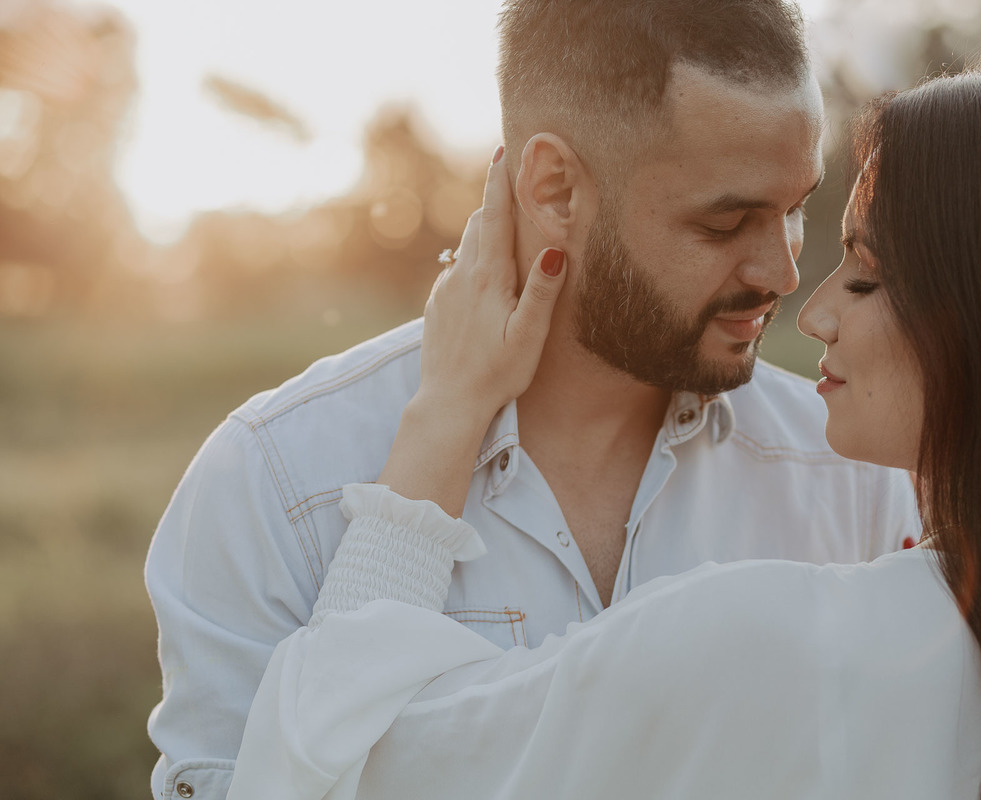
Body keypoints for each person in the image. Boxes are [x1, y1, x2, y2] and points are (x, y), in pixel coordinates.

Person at [227, 66, 981, 799]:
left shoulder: (778, 649)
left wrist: (443, 412)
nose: (808, 308)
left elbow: (325, 763)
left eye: (865, 274)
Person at [144, 1, 918, 797]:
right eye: (726, 223)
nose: (784, 275)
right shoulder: (274, 480)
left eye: (793, 210)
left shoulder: (855, 474)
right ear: (554, 189)